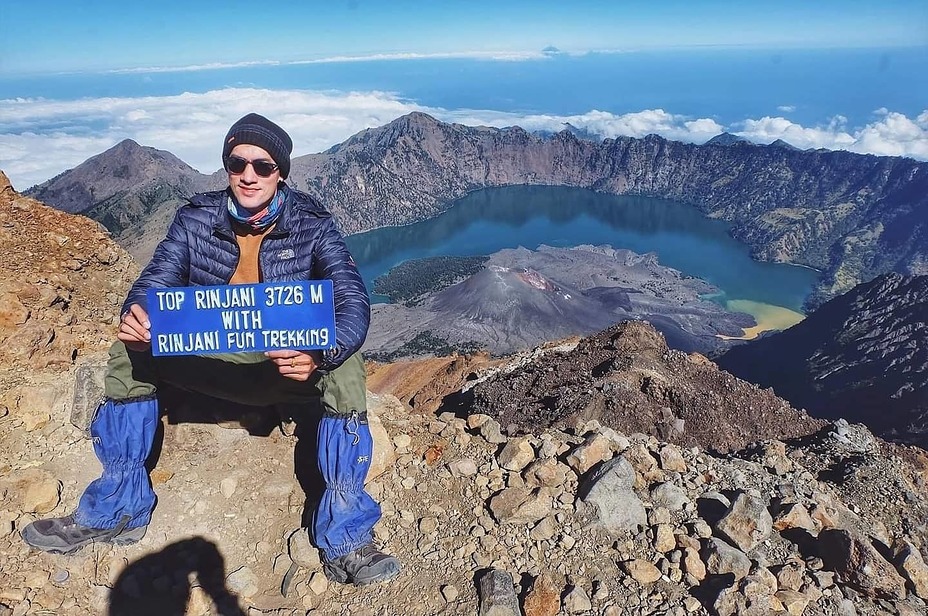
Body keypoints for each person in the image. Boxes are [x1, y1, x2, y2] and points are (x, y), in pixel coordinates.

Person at [21, 113, 401, 587]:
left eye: (262, 166)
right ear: (226, 165)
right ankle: (117, 508)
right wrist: (139, 311)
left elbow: (352, 301)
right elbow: (158, 276)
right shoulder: (195, 218)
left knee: (347, 368)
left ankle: (346, 537)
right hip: (205, 359)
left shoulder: (312, 225)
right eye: (237, 162)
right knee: (127, 351)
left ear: (280, 171)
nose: (248, 175)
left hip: (278, 370)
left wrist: (320, 356)